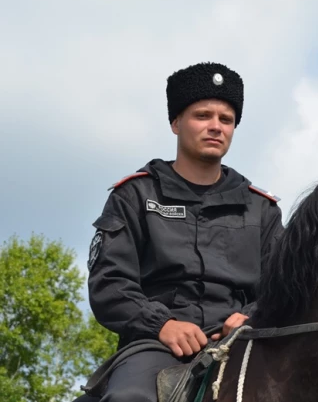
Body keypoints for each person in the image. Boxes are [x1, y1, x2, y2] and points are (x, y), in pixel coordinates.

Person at [73, 61, 285, 402]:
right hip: (154, 344)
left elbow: (286, 285)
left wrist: (251, 316)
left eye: (226, 120)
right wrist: (162, 324)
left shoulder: (262, 210)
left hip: (246, 342)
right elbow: (109, 284)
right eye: (203, 116)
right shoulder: (135, 196)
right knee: (128, 398)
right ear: (175, 123)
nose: (216, 127)